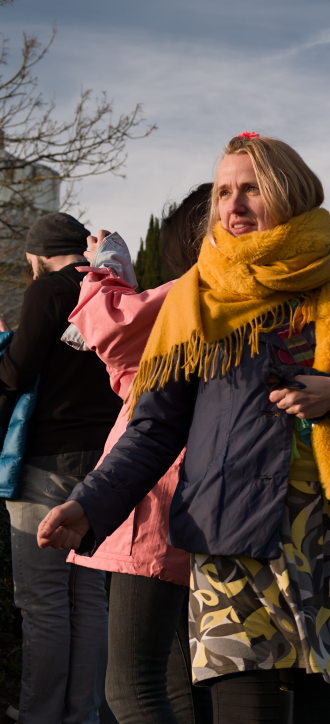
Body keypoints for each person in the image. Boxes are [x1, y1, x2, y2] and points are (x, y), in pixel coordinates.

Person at [37, 133, 330, 723]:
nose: (234, 204)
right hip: (228, 543)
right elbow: (154, 427)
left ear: (291, 194)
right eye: (224, 191)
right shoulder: (195, 300)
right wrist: (90, 502)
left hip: (328, 539)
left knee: (326, 714)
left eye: (252, 188)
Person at [65, 185, 214, 724]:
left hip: (155, 496)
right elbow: (133, 372)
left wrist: (104, 267)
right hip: (190, 497)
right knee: (183, 682)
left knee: (131, 687)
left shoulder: (197, 290)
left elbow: (109, 327)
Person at [0, 212, 122, 724]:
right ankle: (84, 714)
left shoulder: (50, 289)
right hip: (104, 462)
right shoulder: (109, 285)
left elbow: (16, 371)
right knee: (88, 596)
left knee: (44, 600)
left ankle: (42, 716)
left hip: (47, 459)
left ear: (37, 254)